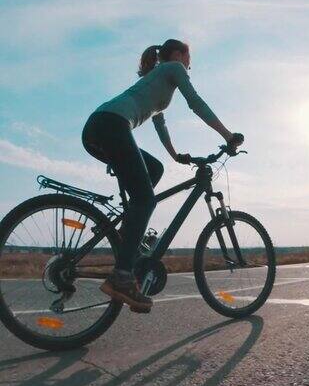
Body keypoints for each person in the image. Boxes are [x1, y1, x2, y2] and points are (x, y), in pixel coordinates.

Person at [81, 39, 243, 313]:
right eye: (189, 56)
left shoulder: (157, 79)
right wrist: (227, 135)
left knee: (154, 170)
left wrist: (175, 155)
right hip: (111, 125)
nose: (190, 64)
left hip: (99, 126)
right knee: (146, 200)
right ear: (179, 54)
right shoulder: (174, 68)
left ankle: (127, 231)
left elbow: (159, 125)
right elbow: (196, 103)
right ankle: (122, 277)